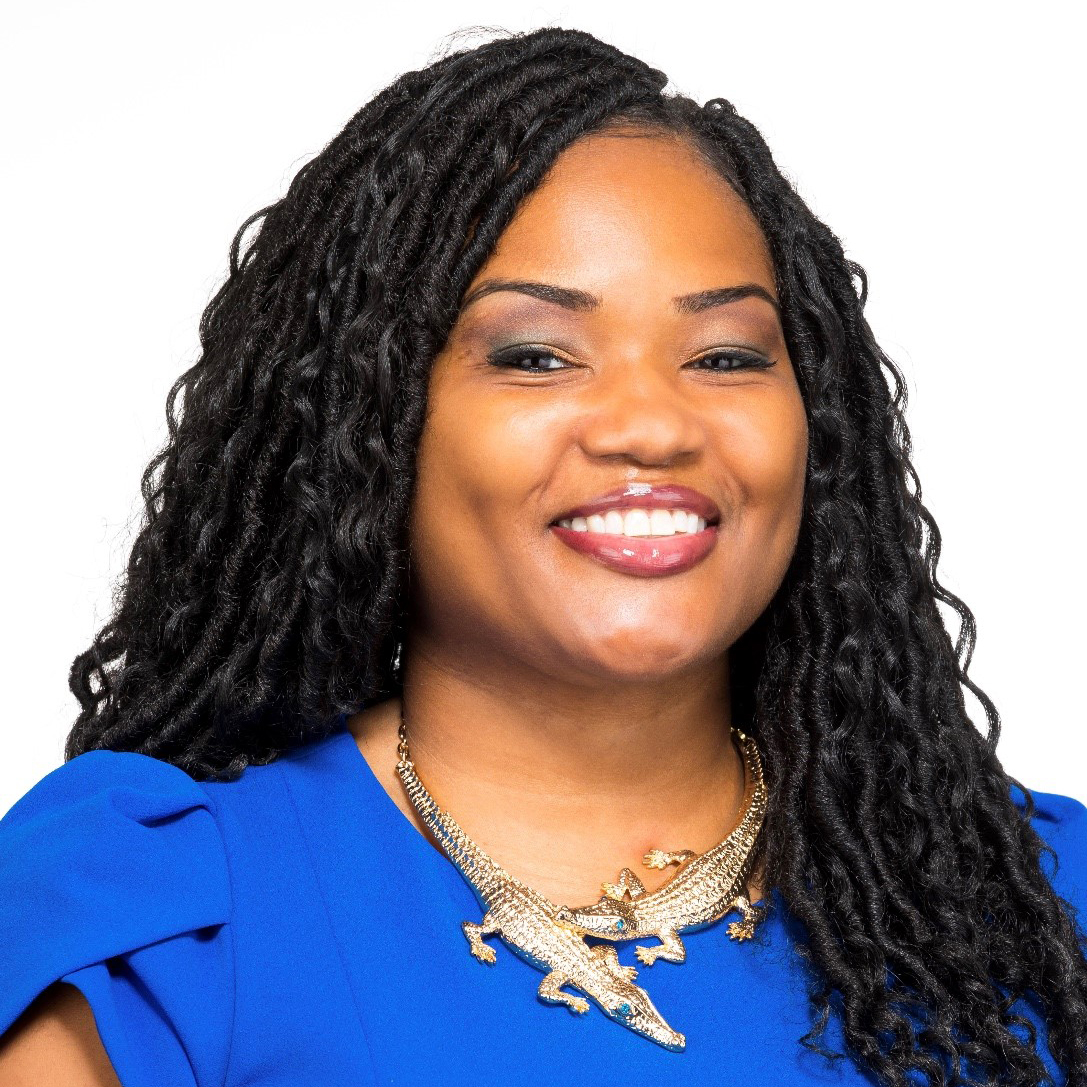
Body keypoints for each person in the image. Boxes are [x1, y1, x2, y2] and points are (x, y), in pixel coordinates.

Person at [1, 24, 1084, 1087]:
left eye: (722, 355)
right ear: (365, 428)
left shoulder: (1042, 897)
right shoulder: (162, 922)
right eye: (534, 356)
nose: (652, 427)